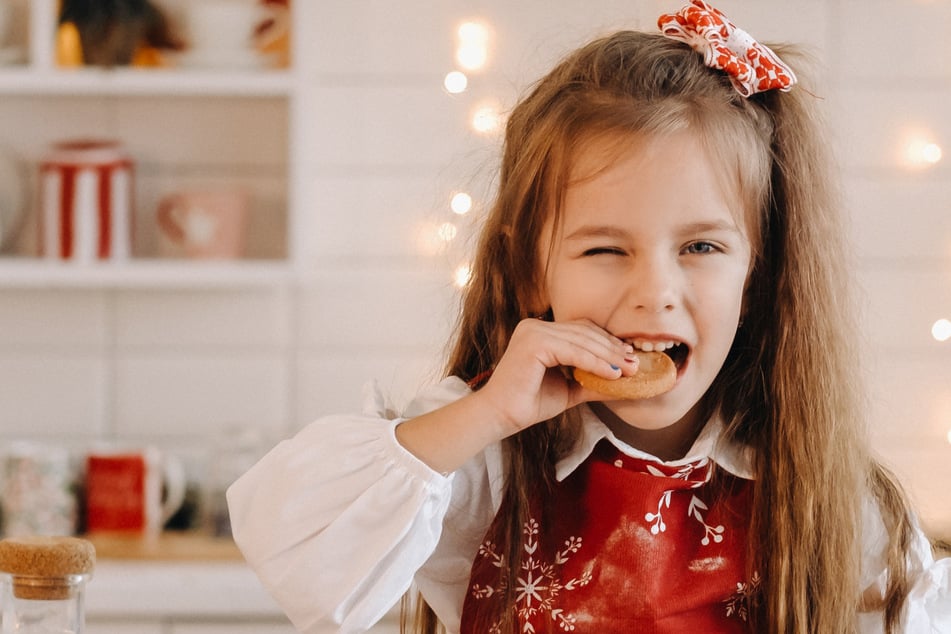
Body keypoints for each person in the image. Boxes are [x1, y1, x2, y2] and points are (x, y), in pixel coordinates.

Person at [227, 2, 951, 632]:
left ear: (755, 277)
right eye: (605, 249)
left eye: (700, 246)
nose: (654, 291)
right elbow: (302, 564)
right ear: (528, 268)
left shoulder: (825, 497)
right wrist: (486, 415)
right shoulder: (480, 460)